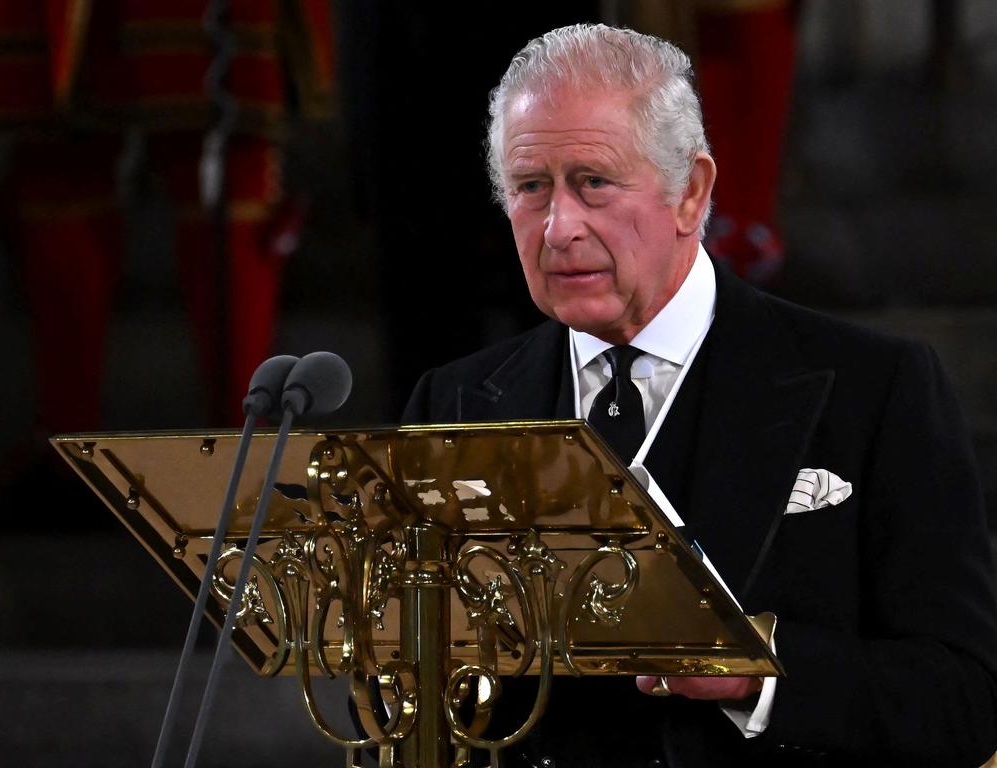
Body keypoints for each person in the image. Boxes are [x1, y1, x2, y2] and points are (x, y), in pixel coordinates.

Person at [403, 24, 997, 767]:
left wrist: (757, 670)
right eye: (531, 188)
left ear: (691, 191)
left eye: (593, 182)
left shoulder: (876, 391)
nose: (558, 228)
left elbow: (967, 700)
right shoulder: (454, 403)